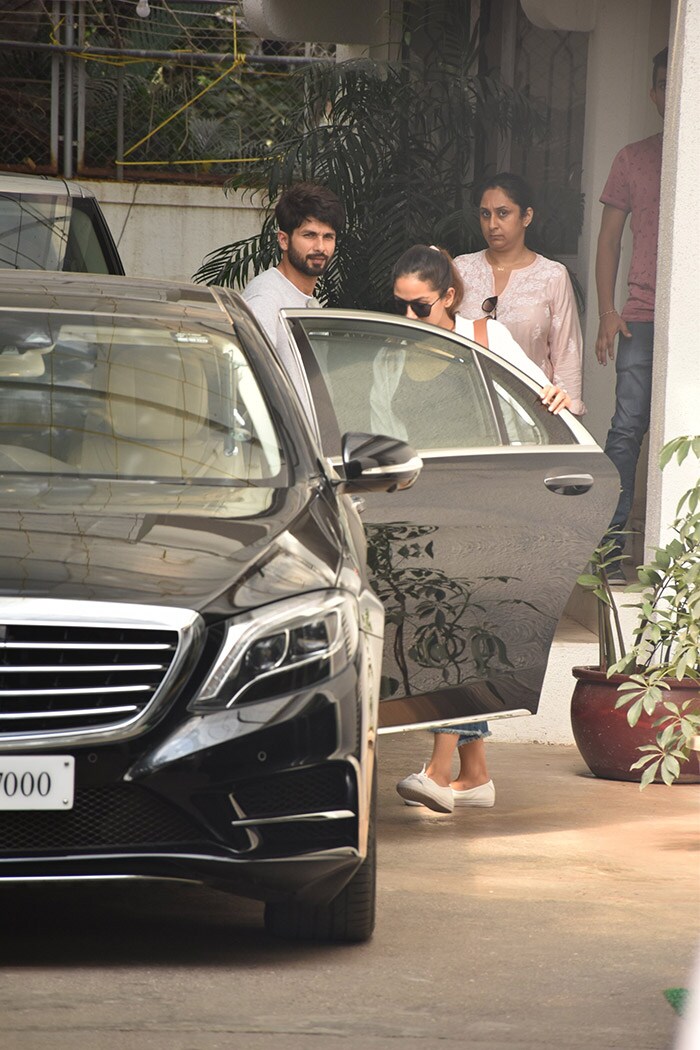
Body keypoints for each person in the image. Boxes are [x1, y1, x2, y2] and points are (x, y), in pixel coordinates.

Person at [391, 244, 571, 814]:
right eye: (401, 306)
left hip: (485, 507)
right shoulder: (395, 348)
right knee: (447, 626)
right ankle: (476, 774)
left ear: (447, 297)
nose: (408, 317)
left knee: (454, 631)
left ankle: (439, 770)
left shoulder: (486, 338)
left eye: (420, 307)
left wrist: (558, 398)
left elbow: (542, 401)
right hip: (428, 508)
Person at [595, 47, 667, 569]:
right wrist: (606, 310)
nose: (669, 93)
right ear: (653, 92)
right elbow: (609, 241)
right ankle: (607, 549)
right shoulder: (633, 157)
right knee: (626, 429)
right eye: (661, 84)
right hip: (639, 317)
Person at [453, 173, 585, 416]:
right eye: (485, 214)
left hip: (532, 410)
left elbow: (566, 352)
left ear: (526, 217)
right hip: (467, 408)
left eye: (503, 213)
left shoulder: (552, 275)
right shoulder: (461, 269)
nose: (492, 224)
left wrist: (567, 414)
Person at [242, 182, 345, 397]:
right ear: (283, 240)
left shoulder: (307, 300)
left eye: (328, 237)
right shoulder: (266, 297)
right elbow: (250, 380)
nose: (320, 247)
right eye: (309, 235)